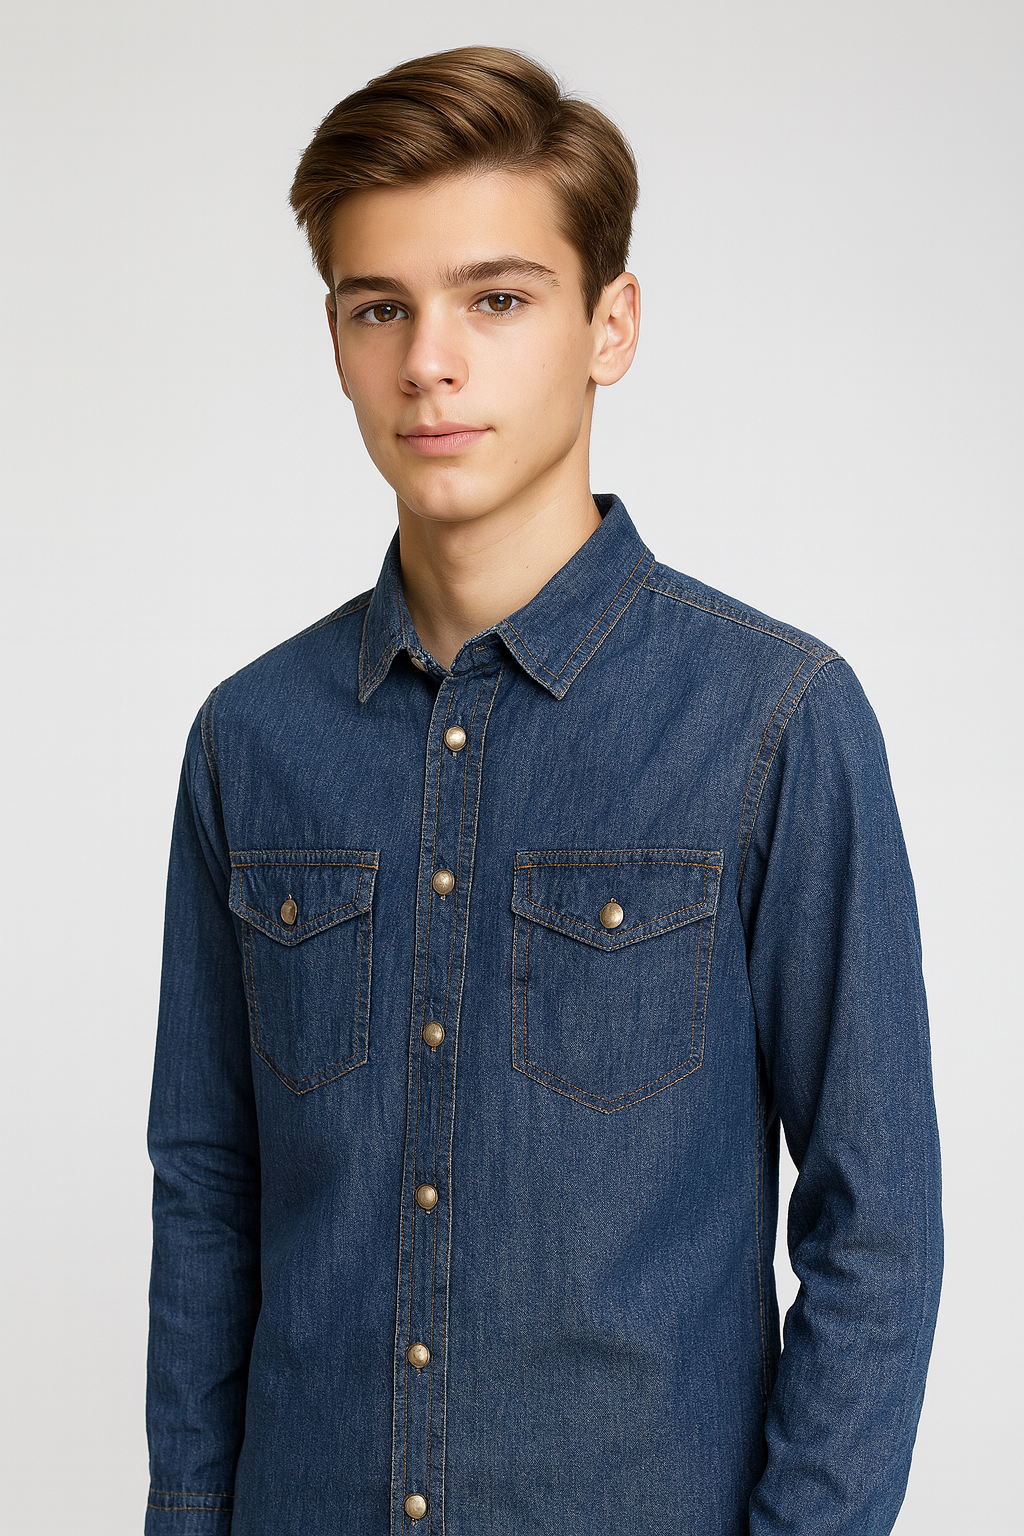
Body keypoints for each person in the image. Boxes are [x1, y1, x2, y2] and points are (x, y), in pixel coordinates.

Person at [144, 46, 942, 1536]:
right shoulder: (249, 740)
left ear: (609, 325)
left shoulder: (775, 721)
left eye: (495, 300)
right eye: (379, 307)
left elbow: (876, 1230)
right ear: (336, 340)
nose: (428, 361)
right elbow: (209, 1195)